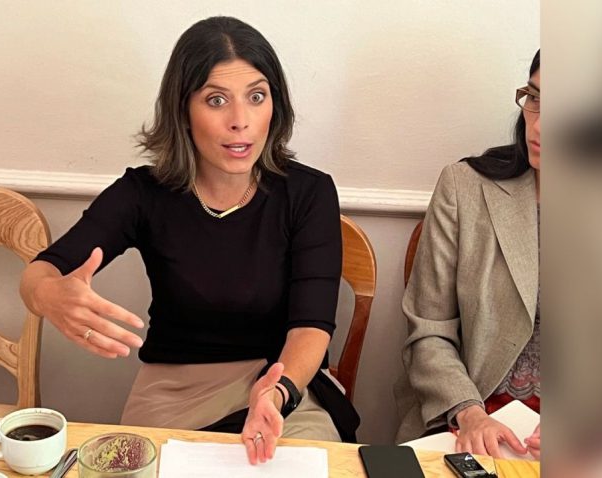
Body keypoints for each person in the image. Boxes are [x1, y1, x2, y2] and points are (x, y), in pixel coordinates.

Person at [19, 16, 359, 465]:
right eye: (216, 100)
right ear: (183, 109)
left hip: (282, 383)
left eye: (256, 96)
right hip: (172, 391)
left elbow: (311, 327)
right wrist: (48, 294)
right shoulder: (142, 193)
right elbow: (40, 272)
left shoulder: (308, 193)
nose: (240, 122)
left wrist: (277, 393)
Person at [395, 50, 541, 459]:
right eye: (535, 98)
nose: (539, 125)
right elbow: (429, 330)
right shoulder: (465, 188)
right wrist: (469, 412)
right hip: (470, 418)